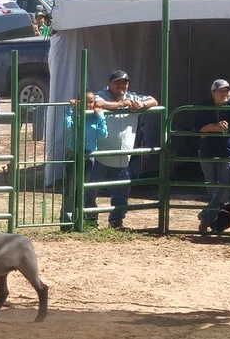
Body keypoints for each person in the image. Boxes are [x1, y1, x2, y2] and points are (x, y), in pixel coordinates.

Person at [90, 70, 158, 230]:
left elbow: (153, 100)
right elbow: (97, 104)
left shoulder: (133, 96)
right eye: (117, 82)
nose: (121, 86)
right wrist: (123, 105)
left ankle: (116, 222)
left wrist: (142, 104)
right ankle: (89, 221)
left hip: (122, 156)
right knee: (90, 190)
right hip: (99, 154)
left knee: (121, 192)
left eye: (124, 82)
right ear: (109, 83)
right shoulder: (101, 95)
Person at [196, 79, 230, 232]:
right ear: (212, 93)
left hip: (228, 151)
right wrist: (214, 127)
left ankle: (205, 217)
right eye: (221, 91)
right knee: (213, 190)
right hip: (207, 151)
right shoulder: (204, 104)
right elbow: (196, 127)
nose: (226, 93)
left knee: (225, 188)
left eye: (227, 90)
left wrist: (207, 129)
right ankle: (215, 224)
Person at [61, 93, 108, 229]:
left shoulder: (95, 117)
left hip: (88, 157)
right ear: (79, 102)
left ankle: (89, 220)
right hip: (73, 155)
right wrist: (69, 109)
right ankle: (67, 223)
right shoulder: (77, 115)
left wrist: (101, 117)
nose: (89, 105)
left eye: (92, 102)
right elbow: (68, 125)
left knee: (87, 189)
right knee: (71, 189)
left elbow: (103, 135)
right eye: (86, 102)